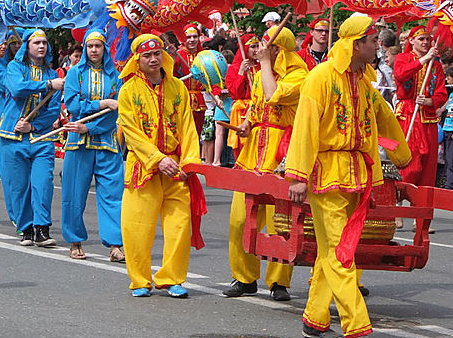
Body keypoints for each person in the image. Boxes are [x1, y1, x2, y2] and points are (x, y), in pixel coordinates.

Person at [286, 14, 411, 338]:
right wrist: (297, 175)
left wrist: (402, 156)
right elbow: (306, 128)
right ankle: (357, 328)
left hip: (357, 173)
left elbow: (383, 116)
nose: (378, 47)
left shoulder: (362, 80)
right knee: (342, 252)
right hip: (327, 173)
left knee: (334, 249)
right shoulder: (320, 78)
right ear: (357, 44)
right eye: (373, 41)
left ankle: (314, 319)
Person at [223, 26, 307, 301]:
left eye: (265, 44)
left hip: (281, 154)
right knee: (239, 219)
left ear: (278, 49)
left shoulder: (299, 75)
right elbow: (259, 105)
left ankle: (278, 282)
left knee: (278, 222)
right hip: (253, 153)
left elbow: (274, 95)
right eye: (258, 43)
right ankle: (244, 277)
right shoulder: (260, 74)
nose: (258, 49)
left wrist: (266, 64)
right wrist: (247, 124)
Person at [118, 34, 203, 298]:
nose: (153, 59)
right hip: (143, 167)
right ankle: (140, 280)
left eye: (157, 54)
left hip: (176, 167)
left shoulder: (178, 87)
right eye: (147, 55)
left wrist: (189, 162)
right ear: (137, 59)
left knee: (179, 224)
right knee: (137, 227)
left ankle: (172, 278)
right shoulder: (128, 91)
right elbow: (131, 132)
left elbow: (188, 127)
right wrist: (157, 159)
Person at [0, 28, 63, 246]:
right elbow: (17, 88)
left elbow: (53, 111)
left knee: (43, 183)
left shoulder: (53, 74)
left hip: (40, 137)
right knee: (18, 186)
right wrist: (47, 86)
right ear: (27, 46)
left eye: (44, 43)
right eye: (37, 43)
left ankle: (42, 228)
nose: (41, 46)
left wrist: (33, 125)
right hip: (11, 136)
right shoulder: (14, 67)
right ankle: (25, 227)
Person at [61, 29, 124, 262]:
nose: (94, 50)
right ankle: (74, 240)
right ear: (85, 49)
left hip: (107, 141)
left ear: (104, 48)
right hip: (78, 143)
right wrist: (102, 102)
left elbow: (117, 109)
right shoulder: (75, 73)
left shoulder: (115, 75)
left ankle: (115, 245)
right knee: (74, 193)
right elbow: (73, 105)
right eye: (90, 46)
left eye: (98, 46)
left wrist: (92, 127)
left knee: (113, 195)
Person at [393, 25, 447, 186]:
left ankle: (423, 206)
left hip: (427, 117)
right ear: (411, 41)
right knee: (410, 161)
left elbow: (442, 92)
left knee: (429, 164)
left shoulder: (436, 66)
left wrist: (431, 101)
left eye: (427, 39)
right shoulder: (403, 58)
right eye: (421, 39)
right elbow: (400, 75)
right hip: (408, 114)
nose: (425, 42)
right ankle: (402, 195)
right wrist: (424, 60)